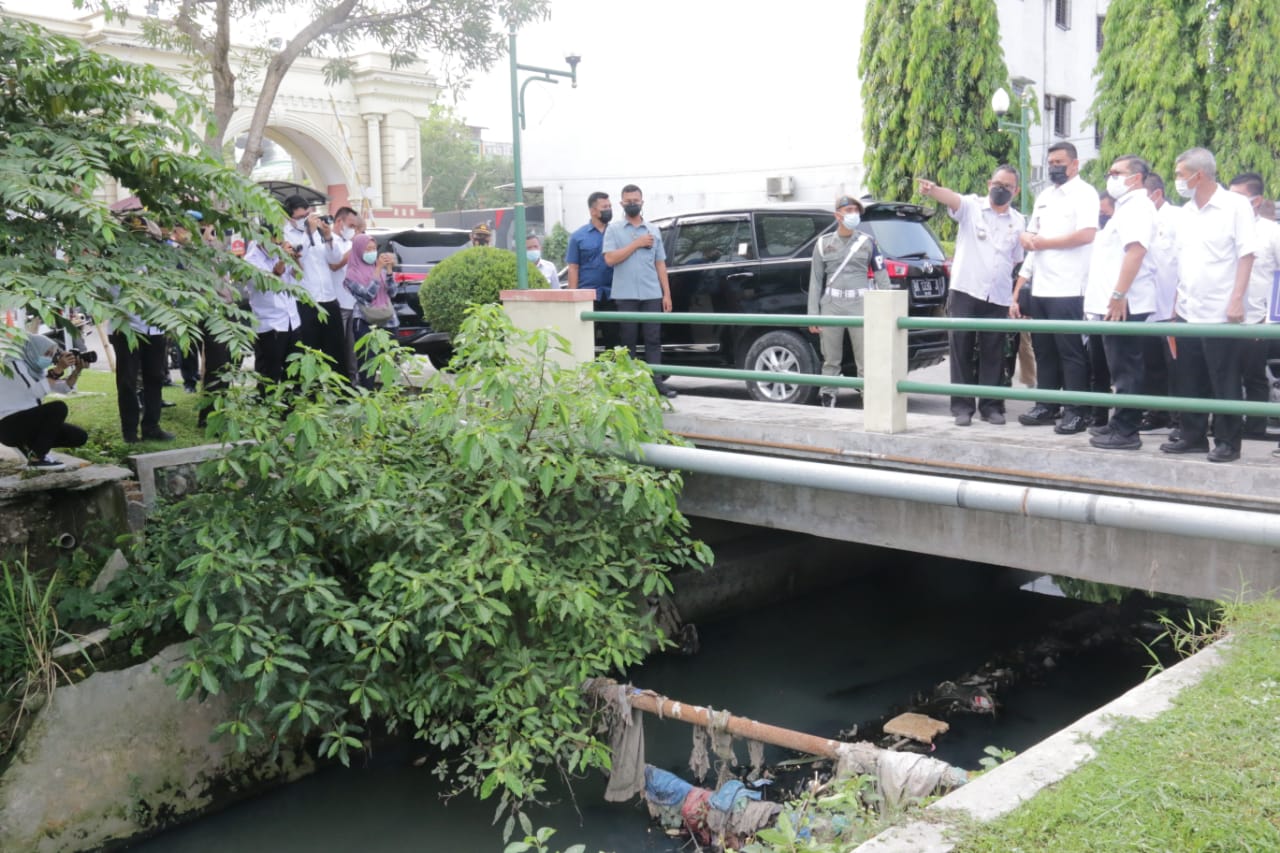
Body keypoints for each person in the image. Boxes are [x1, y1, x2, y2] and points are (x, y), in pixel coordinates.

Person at [1161, 147, 1257, 463]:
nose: (1177, 180)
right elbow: (1181, 262)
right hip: (1189, 310)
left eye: (1179, 174)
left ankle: (1228, 442)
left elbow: (1246, 255)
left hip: (1221, 312)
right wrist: (1176, 306)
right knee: (1189, 379)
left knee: (1225, 379)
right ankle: (1193, 436)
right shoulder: (1185, 212)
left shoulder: (1235, 206)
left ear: (1197, 174)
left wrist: (1236, 300)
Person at [918, 166, 1026, 426]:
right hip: (966, 289)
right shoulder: (972, 206)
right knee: (961, 348)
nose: (1001, 189)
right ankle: (962, 407)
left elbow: (1015, 260)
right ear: (989, 183)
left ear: (1016, 190)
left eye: (1007, 186)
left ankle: (991, 406)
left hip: (998, 295)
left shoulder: (1018, 220)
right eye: (997, 183)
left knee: (994, 352)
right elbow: (952, 198)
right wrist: (933, 190)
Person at [1010, 141, 1099, 434]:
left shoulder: (1085, 194)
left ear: (1075, 164)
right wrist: (1026, 237)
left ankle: (1077, 410)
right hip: (1042, 287)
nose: (1054, 167)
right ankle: (1047, 404)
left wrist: (1044, 242)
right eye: (1050, 163)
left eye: (1059, 162)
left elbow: (1086, 234)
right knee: (1044, 350)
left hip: (1070, 287)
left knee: (1071, 352)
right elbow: (1033, 232)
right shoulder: (1045, 195)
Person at [1082, 155, 1159, 450]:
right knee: (1120, 369)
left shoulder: (1138, 206)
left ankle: (1126, 431)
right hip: (1114, 302)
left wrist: (1117, 295)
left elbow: (1135, 252)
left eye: (1117, 172)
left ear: (1135, 177)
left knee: (1127, 370)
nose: (1110, 176)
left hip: (1125, 304)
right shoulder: (1126, 208)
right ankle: (1119, 423)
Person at [806, 194, 890, 409]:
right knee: (831, 359)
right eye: (849, 210)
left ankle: (869, 401)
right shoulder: (823, 244)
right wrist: (813, 314)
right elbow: (816, 281)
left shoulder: (868, 242)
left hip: (861, 305)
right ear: (838, 215)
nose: (853, 214)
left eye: (856, 210)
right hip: (831, 305)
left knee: (865, 359)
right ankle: (828, 397)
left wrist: (887, 310)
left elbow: (882, 276)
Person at [602, 183, 677, 398]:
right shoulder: (614, 230)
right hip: (625, 295)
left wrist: (667, 294)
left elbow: (660, 263)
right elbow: (609, 259)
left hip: (651, 294)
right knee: (628, 343)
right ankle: (630, 387)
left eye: (635, 201)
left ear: (642, 202)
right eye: (628, 202)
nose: (632, 204)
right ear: (621, 204)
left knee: (653, 340)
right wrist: (636, 244)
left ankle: (657, 384)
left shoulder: (653, 230)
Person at [1226, 173, 1280, 440]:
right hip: (1223, 319)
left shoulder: (1271, 232)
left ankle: (1255, 428)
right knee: (1226, 377)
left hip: (1257, 320)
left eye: (1238, 196)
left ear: (1256, 201)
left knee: (1254, 377)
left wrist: (1271, 321)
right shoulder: (1225, 228)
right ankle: (1228, 425)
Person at [0, 335, 89, 471]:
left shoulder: (34, 368)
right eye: (46, 353)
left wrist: (77, 370)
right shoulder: (12, 365)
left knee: (79, 436)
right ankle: (37, 458)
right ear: (32, 350)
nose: (48, 358)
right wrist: (58, 369)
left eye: (51, 354)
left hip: (27, 423)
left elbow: (63, 388)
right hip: (8, 426)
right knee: (58, 408)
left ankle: (30, 447)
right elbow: (36, 392)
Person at [281, 195, 347, 376]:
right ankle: (310, 393)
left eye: (308, 214)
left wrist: (327, 237)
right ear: (289, 218)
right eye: (301, 217)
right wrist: (307, 233)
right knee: (309, 350)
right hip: (305, 301)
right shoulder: (285, 235)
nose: (306, 219)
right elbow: (294, 260)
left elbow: (335, 259)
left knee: (336, 349)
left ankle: (342, 394)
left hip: (329, 297)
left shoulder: (319, 232)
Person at [1136, 172, 1180, 433]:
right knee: (1150, 366)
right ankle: (1156, 414)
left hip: (1170, 308)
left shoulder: (1176, 218)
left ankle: (1178, 420)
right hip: (1146, 307)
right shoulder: (1140, 220)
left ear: (1156, 194)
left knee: (1175, 368)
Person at [243, 231, 302, 389]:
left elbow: (297, 276)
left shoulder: (279, 253)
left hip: (291, 320)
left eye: (279, 241)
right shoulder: (251, 260)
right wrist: (283, 257)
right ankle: (266, 408)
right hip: (270, 324)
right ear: (262, 239)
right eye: (274, 241)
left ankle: (290, 409)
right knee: (269, 374)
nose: (277, 244)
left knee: (292, 372)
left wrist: (295, 260)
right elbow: (271, 280)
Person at [343, 233, 399, 389]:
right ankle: (367, 396)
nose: (372, 253)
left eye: (374, 249)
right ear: (359, 251)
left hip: (389, 319)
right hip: (365, 321)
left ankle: (391, 398)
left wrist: (388, 271)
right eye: (368, 249)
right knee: (368, 363)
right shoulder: (351, 274)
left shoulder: (380, 269)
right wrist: (378, 270)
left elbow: (393, 293)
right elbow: (367, 296)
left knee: (391, 360)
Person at [328, 207, 361, 383]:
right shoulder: (329, 241)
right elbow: (335, 264)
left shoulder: (349, 243)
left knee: (352, 349)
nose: (353, 230)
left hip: (352, 302)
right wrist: (355, 249)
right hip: (337, 303)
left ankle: (352, 383)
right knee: (338, 347)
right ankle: (337, 384)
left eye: (355, 227)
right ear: (339, 222)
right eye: (350, 225)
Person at [567, 192, 614, 299]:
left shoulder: (615, 233)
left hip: (613, 294)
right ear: (593, 211)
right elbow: (573, 268)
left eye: (610, 206)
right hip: (587, 295)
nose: (609, 210)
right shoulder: (577, 236)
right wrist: (573, 296)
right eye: (605, 207)